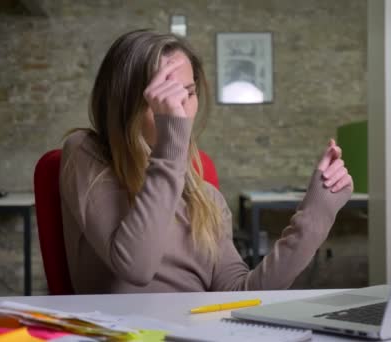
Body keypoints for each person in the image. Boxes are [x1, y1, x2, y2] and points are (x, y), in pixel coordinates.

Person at [59, 29, 353, 294]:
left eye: (189, 93)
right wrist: (170, 141)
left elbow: (241, 293)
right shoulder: (86, 153)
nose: (182, 108)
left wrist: (316, 214)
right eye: (167, 96)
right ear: (124, 103)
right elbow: (136, 267)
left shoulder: (206, 198)